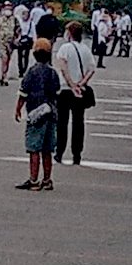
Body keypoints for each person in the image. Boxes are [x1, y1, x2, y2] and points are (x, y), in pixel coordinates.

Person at [15, 38, 61, 191]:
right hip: (51, 113)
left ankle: (33, 180)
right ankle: (47, 179)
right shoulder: (53, 73)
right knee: (47, 149)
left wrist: (18, 109)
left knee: (34, 148)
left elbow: (23, 92)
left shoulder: (32, 72)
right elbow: (57, 93)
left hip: (36, 113)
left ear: (34, 54)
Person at [54, 20, 97, 166]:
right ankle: (76, 154)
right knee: (78, 123)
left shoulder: (64, 48)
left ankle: (59, 152)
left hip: (65, 90)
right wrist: (81, 83)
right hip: (80, 90)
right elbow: (91, 69)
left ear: (70, 33)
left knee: (62, 122)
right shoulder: (86, 50)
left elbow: (63, 68)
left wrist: (71, 84)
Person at [0, 4, 20, 87]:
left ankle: (4, 74)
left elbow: (18, 30)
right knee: (4, 58)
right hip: (1, 42)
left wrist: (17, 38)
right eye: (6, 9)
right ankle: (4, 77)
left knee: (8, 60)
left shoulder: (14, 19)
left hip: (10, 43)